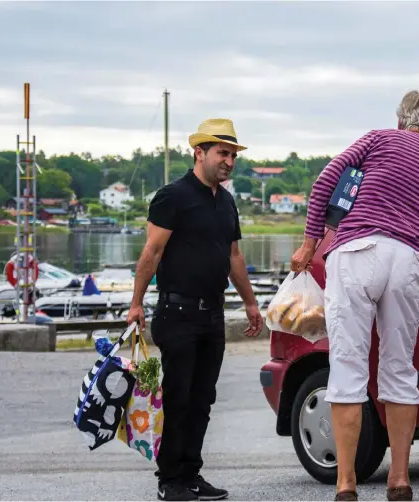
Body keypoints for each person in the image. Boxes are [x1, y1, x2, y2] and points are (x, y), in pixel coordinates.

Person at [290, 91, 419, 502]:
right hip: (408, 260)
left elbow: (324, 184)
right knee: (399, 369)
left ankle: (346, 482)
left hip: (356, 253)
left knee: (348, 367)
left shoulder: (379, 139)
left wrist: (308, 245)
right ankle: (399, 478)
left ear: (402, 119)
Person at [126, 118, 263, 501]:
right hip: (177, 312)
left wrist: (251, 302)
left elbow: (234, 256)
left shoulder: (227, 201)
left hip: (212, 315)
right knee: (178, 396)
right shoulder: (173, 196)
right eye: (223, 153)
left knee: (203, 399)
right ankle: (169, 480)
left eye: (233, 155)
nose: (229, 161)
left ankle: (191, 474)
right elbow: (151, 252)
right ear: (198, 152)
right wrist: (136, 303)